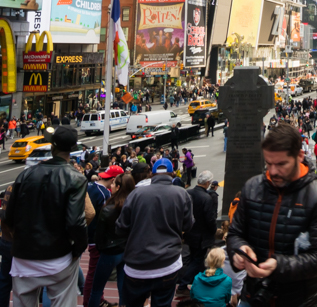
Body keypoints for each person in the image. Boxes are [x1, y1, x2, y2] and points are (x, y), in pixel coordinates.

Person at [226, 123, 317, 307]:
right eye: (268, 163)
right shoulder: (252, 188)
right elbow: (235, 233)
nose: (273, 171)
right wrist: (238, 250)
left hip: (299, 300)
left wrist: (279, 266)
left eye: (281, 164)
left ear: (300, 156)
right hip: (254, 295)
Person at [5, 126, 88, 307]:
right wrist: (78, 250)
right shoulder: (76, 178)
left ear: (52, 147)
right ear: (72, 148)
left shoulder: (26, 174)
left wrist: (16, 241)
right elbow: (75, 221)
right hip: (58, 256)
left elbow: (8, 217)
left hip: (23, 257)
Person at [115, 158, 195, 307]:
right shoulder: (182, 194)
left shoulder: (136, 194)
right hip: (168, 263)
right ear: (172, 174)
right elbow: (188, 225)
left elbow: (120, 228)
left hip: (137, 265)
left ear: (152, 174)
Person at [88, 174, 136, 307]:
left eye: (114, 184)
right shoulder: (134, 206)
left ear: (119, 187)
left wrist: (101, 247)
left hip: (109, 252)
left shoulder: (108, 209)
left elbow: (99, 234)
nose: (111, 185)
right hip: (125, 250)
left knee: (96, 289)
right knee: (122, 288)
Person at [175, 171, 219, 299]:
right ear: (207, 183)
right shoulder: (206, 198)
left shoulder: (188, 193)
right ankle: (182, 286)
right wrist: (213, 230)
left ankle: (196, 285)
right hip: (202, 235)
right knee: (198, 261)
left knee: (194, 259)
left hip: (190, 233)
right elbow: (210, 219)